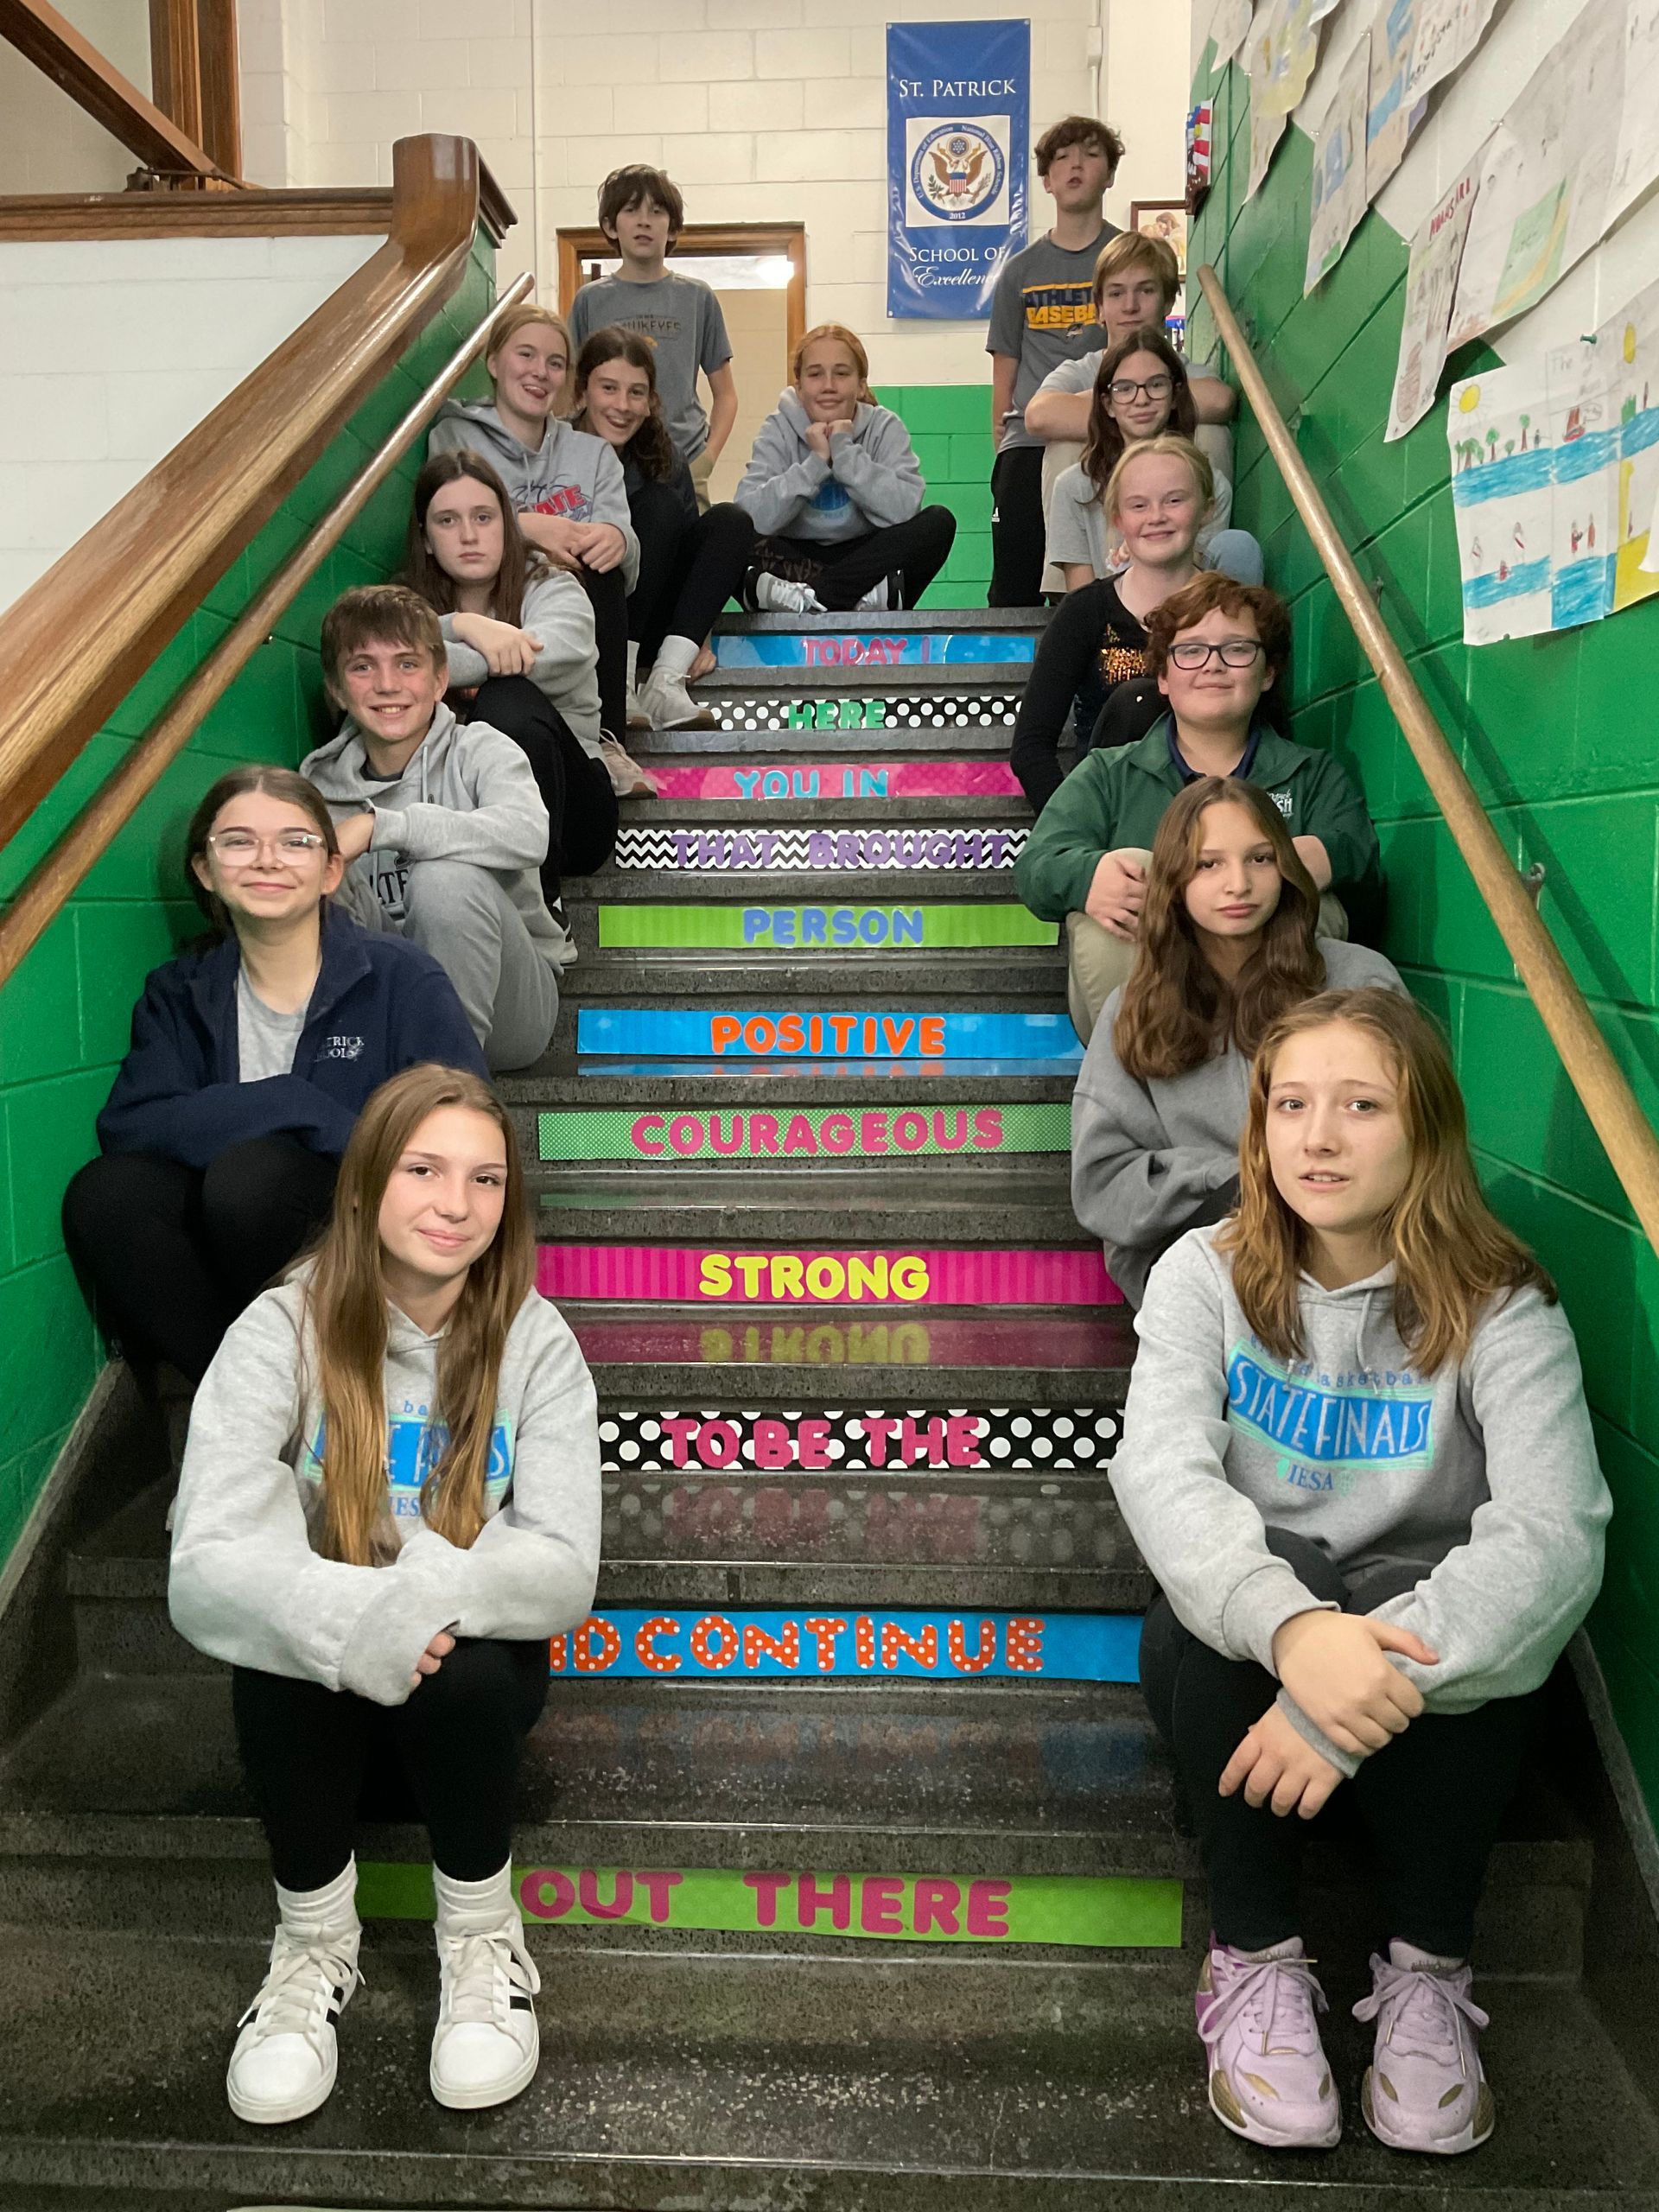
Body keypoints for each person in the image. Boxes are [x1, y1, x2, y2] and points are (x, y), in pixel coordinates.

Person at [1111, 988, 1610, 2155]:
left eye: (1360, 1105)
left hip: (1414, 1703)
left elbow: (1554, 1533)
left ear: (1424, 1129)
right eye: (1291, 1104)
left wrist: (1348, 1692)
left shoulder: (1504, 1302)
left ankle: (1430, 1970)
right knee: (1232, 1583)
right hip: (1239, 1688)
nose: (1318, 1137)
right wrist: (1292, 1632)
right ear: (1260, 1125)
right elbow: (1164, 1479)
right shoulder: (1206, 1273)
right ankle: (1256, 1957)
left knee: (1467, 1609)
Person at [168, 1064, 602, 2123]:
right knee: (278, 1649)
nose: (457, 1205)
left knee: (475, 1660)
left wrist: (414, 1604)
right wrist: (347, 1622)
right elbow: (207, 1558)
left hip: (467, 1721)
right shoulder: (280, 1329)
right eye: (424, 1169)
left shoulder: (537, 1344)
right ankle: (313, 1948)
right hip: (315, 1733)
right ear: (363, 1186)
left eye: (486, 1180)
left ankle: (479, 1942)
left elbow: (560, 1565)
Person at [61, 767, 485, 1393]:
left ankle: (339, 1384)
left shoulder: (403, 979)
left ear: (331, 871)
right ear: (206, 870)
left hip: (373, 1248)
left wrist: (313, 1123)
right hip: (228, 1275)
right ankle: (243, 1399)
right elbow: (133, 1124)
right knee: (106, 1194)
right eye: (237, 842)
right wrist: (284, 1101)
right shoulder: (179, 992)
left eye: (295, 842)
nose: (267, 860)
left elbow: (467, 1140)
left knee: (251, 1178)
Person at [1070, 778, 1403, 1303]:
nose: (1238, 885)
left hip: (1346, 1239)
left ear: (1286, 869)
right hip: (1198, 1249)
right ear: (1175, 878)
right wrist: (1241, 1183)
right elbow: (1103, 1183)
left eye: (1260, 859)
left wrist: (1305, 1190)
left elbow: (1415, 1135)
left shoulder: (1360, 980)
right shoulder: (1132, 1007)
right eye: (1209, 864)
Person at [1014, 573, 1382, 1045]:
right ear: (1163, 678)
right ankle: (1147, 1079)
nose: (1214, 666)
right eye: (1191, 651)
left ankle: (1280, 1076)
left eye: (1238, 649)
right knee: (1120, 882)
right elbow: (1035, 867)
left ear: (1267, 672)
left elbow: (1366, 863)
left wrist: (1324, 856)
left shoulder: (1311, 773)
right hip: (1154, 1022)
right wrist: (1087, 878)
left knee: (1319, 901)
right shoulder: (1108, 773)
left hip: (1272, 1018)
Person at [302, 586, 568, 1075]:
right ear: (338, 690)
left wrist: (388, 827)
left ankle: (443, 1089)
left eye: (407, 664)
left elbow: (530, 834)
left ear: (440, 679)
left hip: (510, 996)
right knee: (308, 869)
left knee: (446, 880)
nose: (387, 684)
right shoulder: (317, 787)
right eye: (363, 667)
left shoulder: (482, 749)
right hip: (388, 992)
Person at [428, 304, 640, 780]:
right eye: (526, 355)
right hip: (495, 606)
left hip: (569, 606)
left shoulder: (593, 452)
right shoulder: (455, 436)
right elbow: (447, 517)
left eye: (555, 363)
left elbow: (624, 538)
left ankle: (608, 740)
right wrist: (527, 527)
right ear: (494, 361)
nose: (540, 373)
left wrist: (618, 540)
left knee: (601, 566)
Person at [404, 449, 625, 894]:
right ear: (426, 538)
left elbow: (543, 653)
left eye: (483, 517)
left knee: (507, 698)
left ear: (507, 525)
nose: (468, 535)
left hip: (572, 813)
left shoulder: (554, 588)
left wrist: (429, 655)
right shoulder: (407, 606)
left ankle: (544, 906)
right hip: (462, 804)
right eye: (447, 521)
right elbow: (376, 660)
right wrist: (465, 625)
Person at [1010, 436, 1214, 808]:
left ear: (1206, 509)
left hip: (1212, 817)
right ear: (1119, 519)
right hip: (1115, 815)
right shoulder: (1084, 612)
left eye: (1175, 500)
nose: (1157, 516)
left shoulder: (1233, 611)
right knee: (1137, 700)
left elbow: (1268, 735)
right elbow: (1031, 749)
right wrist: (1077, 829)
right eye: (1139, 505)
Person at [572, 327, 754, 730]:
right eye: (608, 388)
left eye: (636, 392)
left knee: (731, 521)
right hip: (589, 618)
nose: (623, 405)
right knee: (651, 509)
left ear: (651, 401)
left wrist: (697, 628)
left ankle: (665, 682)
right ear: (582, 392)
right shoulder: (559, 449)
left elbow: (692, 552)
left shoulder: (662, 455)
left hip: (652, 619)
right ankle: (617, 682)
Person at [1024, 230, 1239, 556]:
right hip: (1101, 535)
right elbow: (1039, 416)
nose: (1130, 306)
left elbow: (1221, 400)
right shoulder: (1080, 370)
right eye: (1116, 294)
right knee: (1064, 448)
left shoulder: (1183, 367)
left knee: (1211, 432)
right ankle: (1071, 583)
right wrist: (1124, 400)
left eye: (1146, 291)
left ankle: (1198, 562)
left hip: (1175, 530)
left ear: (1167, 301)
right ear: (1099, 309)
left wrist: (1119, 400)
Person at [986, 114, 1126, 607]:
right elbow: (1006, 358)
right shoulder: (1020, 271)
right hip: (1030, 436)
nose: (1075, 166)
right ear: (1046, 181)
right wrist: (1001, 431)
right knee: (1016, 582)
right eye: (1062, 158)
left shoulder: (1127, 257)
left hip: (1111, 431)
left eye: (1090, 155)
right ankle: (1009, 685)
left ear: (1109, 173)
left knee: (1099, 574)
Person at [735, 323, 956, 614]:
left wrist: (843, 451)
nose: (828, 385)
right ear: (799, 386)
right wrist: (815, 464)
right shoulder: (778, 427)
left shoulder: (884, 426)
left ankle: (809, 601)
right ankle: (857, 600)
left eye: (841, 373)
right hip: (793, 561)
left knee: (939, 522)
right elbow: (752, 517)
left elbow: (904, 511)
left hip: (866, 558)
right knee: (725, 527)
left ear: (860, 384)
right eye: (815, 374)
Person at [566, 164, 737, 511]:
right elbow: (571, 390)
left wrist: (706, 459)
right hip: (607, 463)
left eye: (656, 212)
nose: (644, 221)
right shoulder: (589, 300)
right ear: (610, 226)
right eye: (631, 210)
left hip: (684, 461)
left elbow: (727, 394)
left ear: (672, 229)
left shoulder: (698, 298)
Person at [1046, 327, 1261, 588]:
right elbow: (1081, 600)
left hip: (1189, 610)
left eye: (1156, 385)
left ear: (1174, 395)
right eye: (1124, 389)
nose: (1142, 399)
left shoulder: (1210, 484)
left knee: (1237, 546)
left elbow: (1197, 583)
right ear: (1107, 404)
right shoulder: (1073, 487)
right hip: (1113, 617)